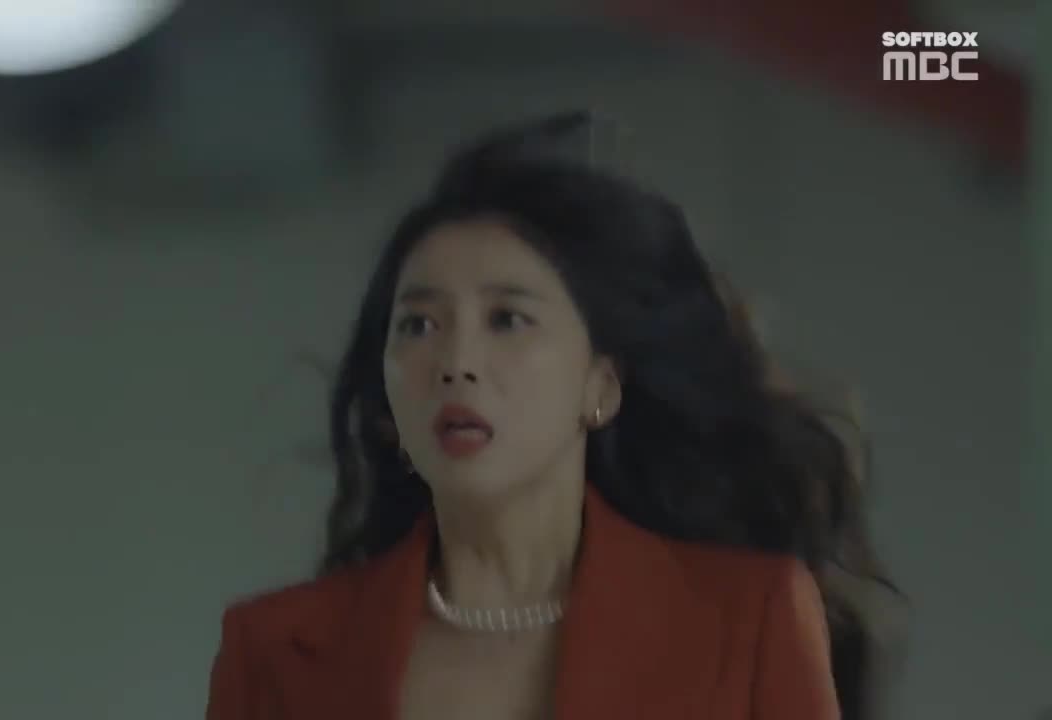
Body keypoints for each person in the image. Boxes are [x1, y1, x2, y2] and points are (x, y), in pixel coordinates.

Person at [205, 112, 901, 719]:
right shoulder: (274, 649)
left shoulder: (750, 618)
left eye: (507, 319)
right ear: (387, 401)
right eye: (418, 325)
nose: (456, 362)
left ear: (601, 384)